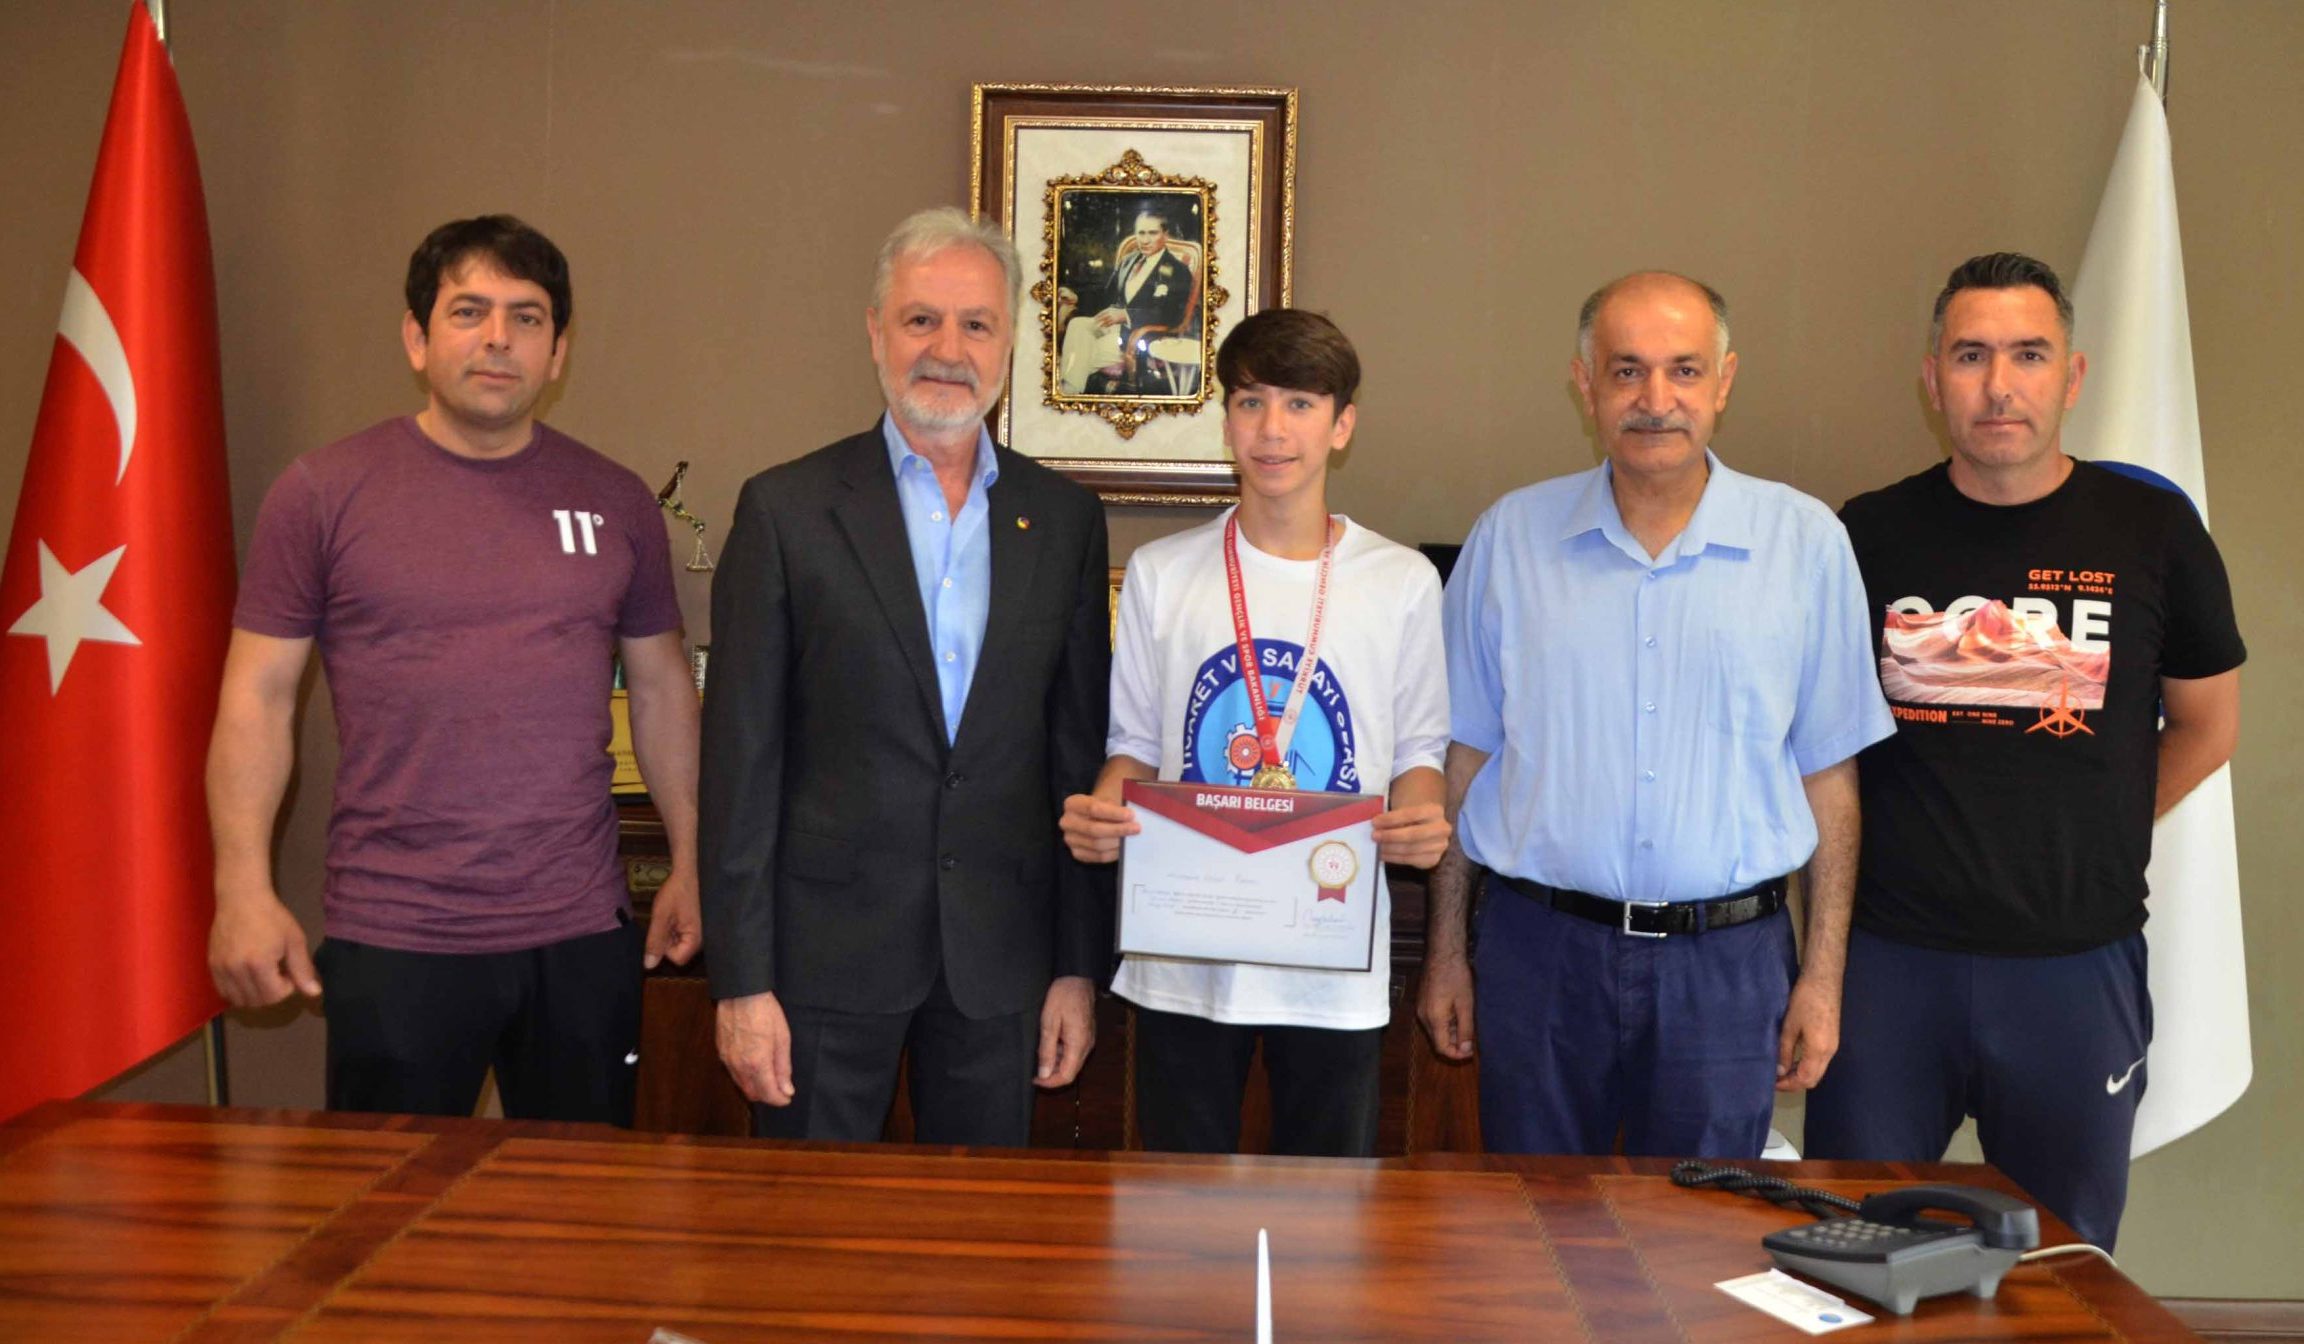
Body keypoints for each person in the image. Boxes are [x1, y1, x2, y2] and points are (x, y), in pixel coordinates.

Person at [208, 215, 702, 1124]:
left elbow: (664, 687)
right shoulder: (321, 493)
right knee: (389, 1197)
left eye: (527, 316)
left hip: (579, 931)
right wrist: (241, 886)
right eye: (469, 311)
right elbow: (257, 697)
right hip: (397, 932)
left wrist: (692, 857)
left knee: (581, 1201)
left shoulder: (617, 500)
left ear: (558, 352)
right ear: (417, 337)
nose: (498, 337)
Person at [1807, 253, 2244, 1251]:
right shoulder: (1866, 535)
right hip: (1891, 968)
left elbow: (2209, 724)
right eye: (1971, 356)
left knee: (2061, 1269)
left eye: (2029, 355)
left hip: (2072, 969)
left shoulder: (2153, 531)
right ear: (1933, 380)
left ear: (2073, 376)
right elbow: (1821, 742)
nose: (1999, 384)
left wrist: (2099, 825)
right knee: (1852, 1257)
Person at [1418, 271, 1894, 1157]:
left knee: (1702, 1231)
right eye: (1627, 370)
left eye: (1684, 369)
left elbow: (1829, 779)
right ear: (1584, 383)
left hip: (1728, 969)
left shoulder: (1806, 546)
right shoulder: (1509, 540)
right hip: (1539, 956)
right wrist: (1446, 952)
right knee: (1533, 1223)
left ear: (1725, 381)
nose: (1655, 399)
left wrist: (1823, 978)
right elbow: (1464, 761)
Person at [700, 206, 1111, 1146]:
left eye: (977, 324)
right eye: (921, 319)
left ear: (1010, 343)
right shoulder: (786, 511)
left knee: (978, 1228)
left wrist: (1075, 967)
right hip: (818, 966)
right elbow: (740, 764)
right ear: (875, 331)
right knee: (805, 1225)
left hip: (1001, 965)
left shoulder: (1063, 521)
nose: (948, 350)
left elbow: (1076, 758)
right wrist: (742, 982)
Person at [1058, 309, 1451, 1156]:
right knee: (1176, 1210)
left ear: (1342, 425)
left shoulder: (1402, 582)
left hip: (1331, 950)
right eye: (1250, 402)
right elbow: (1134, 745)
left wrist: (1422, 816)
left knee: (1328, 1211)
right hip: (1186, 951)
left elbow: (1420, 752)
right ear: (1226, 420)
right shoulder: (1163, 572)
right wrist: (1103, 809)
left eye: (1300, 404)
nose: (1273, 429)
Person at [1078, 205, 1199, 396]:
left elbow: (1172, 314)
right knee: (1077, 326)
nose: (1145, 240)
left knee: (1079, 354)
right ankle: (1071, 390)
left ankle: (1069, 393)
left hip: (1139, 337)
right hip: (1113, 327)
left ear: (1165, 235)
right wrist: (1075, 296)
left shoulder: (1177, 270)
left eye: (1152, 233)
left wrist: (1126, 315)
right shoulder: (1129, 260)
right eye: (1141, 233)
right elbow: (1105, 294)